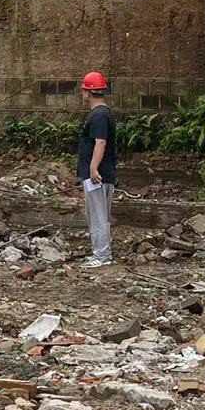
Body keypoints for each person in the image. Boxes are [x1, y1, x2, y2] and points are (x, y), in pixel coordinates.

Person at [77, 71, 118, 268]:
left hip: (97, 175)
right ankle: (101, 252)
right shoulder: (103, 113)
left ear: (88, 92)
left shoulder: (99, 115)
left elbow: (100, 142)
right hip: (101, 173)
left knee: (98, 215)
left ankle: (102, 255)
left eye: (83, 90)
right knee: (97, 214)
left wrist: (93, 168)